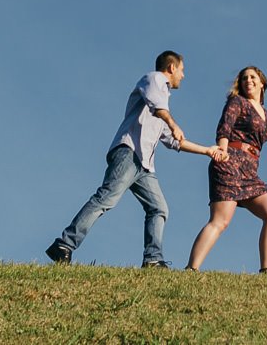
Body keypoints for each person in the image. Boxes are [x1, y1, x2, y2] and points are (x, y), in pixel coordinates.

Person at [46, 51, 226, 268]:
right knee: (106, 198)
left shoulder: (163, 104)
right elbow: (158, 108)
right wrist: (173, 124)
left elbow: (174, 142)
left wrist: (207, 151)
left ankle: (152, 259)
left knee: (159, 208)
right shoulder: (154, 79)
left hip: (145, 166)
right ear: (171, 68)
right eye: (182, 70)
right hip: (129, 153)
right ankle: (64, 244)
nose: (183, 75)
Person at [185, 65, 267, 273]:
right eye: (244, 78)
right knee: (220, 221)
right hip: (230, 161)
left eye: (253, 77)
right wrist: (222, 150)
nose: (248, 81)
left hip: (250, 170)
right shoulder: (237, 102)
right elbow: (225, 127)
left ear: (262, 83)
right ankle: (191, 269)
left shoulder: (264, 113)